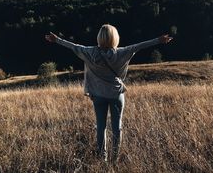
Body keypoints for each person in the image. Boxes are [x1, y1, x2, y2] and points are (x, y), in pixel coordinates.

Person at [45, 24, 172, 163]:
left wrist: (56, 40)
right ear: (115, 38)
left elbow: (73, 46)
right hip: (116, 95)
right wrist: (158, 40)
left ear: (99, 37)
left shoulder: (90, 52)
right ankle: (115, 158)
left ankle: (102, 158)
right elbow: (139, 46)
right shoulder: (121, 52)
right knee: (117, 127)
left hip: (98, 96)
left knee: (101, 127)